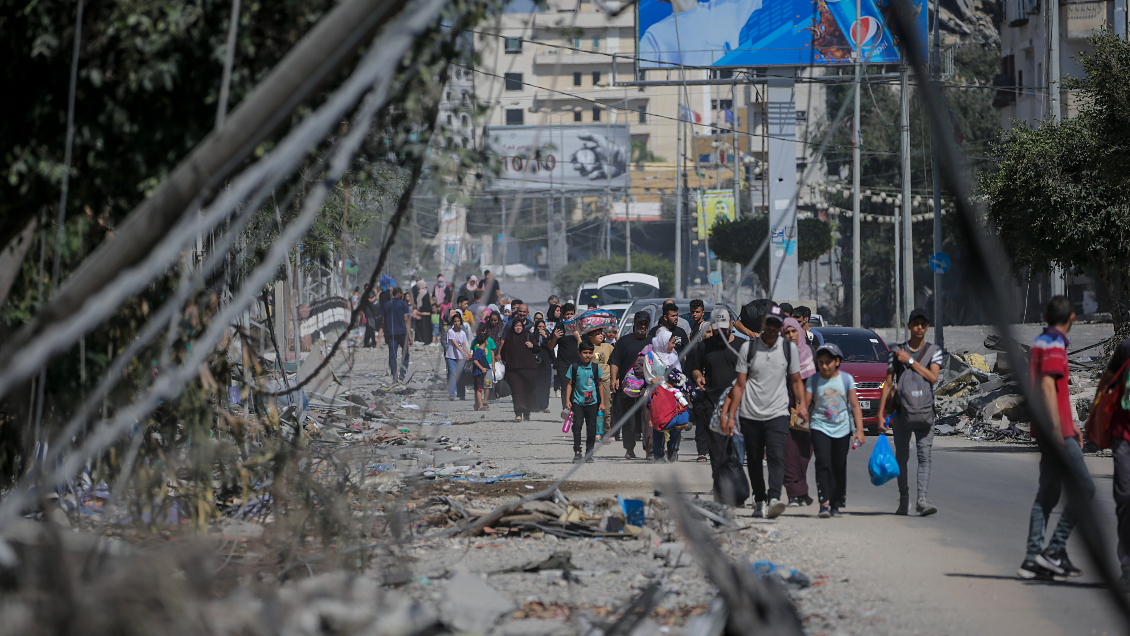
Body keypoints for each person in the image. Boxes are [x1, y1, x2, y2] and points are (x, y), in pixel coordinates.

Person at [1016, 296, 1094, 580]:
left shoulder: (1039, 343)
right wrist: (1059, 430)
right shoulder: (1055, 345)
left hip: (1050, 428)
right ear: (1071, 318)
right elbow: (1048, 388)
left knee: (1046, 496)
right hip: (1054, 432)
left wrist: (1071, 424)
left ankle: (1031, 559)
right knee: (1085, 489)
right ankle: (1055, 549)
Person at [722, 305, 806, 519]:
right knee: (755, 459)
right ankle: (759, 499)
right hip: (750, 414)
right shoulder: (748, 350)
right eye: (769, 323)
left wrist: (803, 405)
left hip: (778, 413)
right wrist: (731, 416)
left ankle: (774, 498)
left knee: (777, 456)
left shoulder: (789, 349)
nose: (771, 328)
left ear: (780, 326)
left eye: (776, 324)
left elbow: (796, 380)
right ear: (763, 324)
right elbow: (739, 386)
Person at [877, 308, 944, 516]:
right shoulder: (896, 351)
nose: (920, 327)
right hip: (901, 412)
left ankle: (922, 499)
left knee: (925, 457)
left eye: (923, 324)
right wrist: (881, 414)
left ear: (928, 326)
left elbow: (933, 378)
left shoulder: (935, 351)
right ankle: (904, 500)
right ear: (909, 326)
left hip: (925, 413)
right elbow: (887, 384)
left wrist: (911, 361)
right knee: (902, 458)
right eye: (916, 323)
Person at [1086, 333, 1130, 587]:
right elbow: (1106, 384)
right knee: (1125, 496)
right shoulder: (1125, 348)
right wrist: (1097, 421)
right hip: (1124, 435)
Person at [691, 311, 747, 505]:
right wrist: (698, 376)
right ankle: (720, 487)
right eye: (717, 330)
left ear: (731, 325)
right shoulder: (703, 347)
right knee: (716, 450)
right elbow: (696, 368)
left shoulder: (742, 346)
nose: (720, 333)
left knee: (735, 449)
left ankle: (736, 486)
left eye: (724, 329)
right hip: (711, 404)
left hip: (739, 406)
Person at [803, 343, 866, 518]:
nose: (824, 366)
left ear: (837, 361)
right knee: (823, 462)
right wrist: (802, 411)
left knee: (839, 465)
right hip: (819, 426)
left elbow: (854, 405)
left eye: (828, 362)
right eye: (821, 362)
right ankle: (824, 502)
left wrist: (859, 430)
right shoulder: (813, 380)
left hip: (842, 428)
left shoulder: (846, 379)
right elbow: (806, 403)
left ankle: (836, 503)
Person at [781, 317, 816, 507]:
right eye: (787, 332)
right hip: (784, 407)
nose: (791, 335)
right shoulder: (779, 354)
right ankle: (794, 493)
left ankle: (800, 490)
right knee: (789, 450)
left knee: (805, 451)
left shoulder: (810, 353)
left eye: (793, 331)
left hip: (807, 408)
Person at [609, 312, 653, 459]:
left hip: (647, 387)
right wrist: (614, 378)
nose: (642, 326)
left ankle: (649, 450)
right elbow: (615, 361)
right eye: (640, 323)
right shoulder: (624, 342)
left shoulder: (653, 342)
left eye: (645, 323)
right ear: (634, 324)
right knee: (628, 420)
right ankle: (629, 449)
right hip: (626, 387)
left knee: (648, 419)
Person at [566, 341, 607, 463]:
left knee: (591, 428)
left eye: (590, 353)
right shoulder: (574, 367)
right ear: (579, 353)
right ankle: (577, 452)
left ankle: (589, 453)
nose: (587, 355)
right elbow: (569, 384)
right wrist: (567, 400)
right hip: (578, 402)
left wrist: (602, 402)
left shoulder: (595, 367)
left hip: (592, 403)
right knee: (577, 426)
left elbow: (600, 385)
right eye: (585, 353)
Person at [499, 319, 538, 421]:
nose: (518, 328)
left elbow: (538, 349)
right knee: (516, 392)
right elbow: (503, 352)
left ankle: (527, 412)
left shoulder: (528, 336)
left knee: (528, 391)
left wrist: (532, 346)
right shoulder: (509, 338)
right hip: (513, 370)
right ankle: (518, 413)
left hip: (528, 369)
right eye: (516, 326)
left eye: (520, 325)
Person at [650, 370, 692, 462]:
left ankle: (661, 453)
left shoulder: (659, 388)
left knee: (659, 432)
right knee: (674, 432)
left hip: (664, 417)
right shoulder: (681, 390)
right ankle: (670, 448)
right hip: (675, 418)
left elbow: (650, 401)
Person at [549, 303, 581, 416]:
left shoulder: (580, 327)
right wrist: (554, 337)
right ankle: (566, 409)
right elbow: (550, 346)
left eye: (571, 314)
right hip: (563, 363)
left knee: (578, 387)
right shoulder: (559, 327)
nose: (569, 316)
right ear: (563, 315)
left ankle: (577, 409)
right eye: (567, 314)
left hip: (578, 362)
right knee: (565, 386)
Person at [588, 327, 615, 442]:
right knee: (592, 407)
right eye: (597, 334)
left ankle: (606, 431)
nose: (601, 335)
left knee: (607, 407)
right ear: (590, 337)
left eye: (601, 334)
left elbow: (617, 355)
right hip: (591, 381)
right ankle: (594, 431)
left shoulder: (607, 347)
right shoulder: (588, 348)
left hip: (605, 380)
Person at [381, 287, 412, 382]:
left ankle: (394, 375)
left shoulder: (386, 305)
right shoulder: (404, 304)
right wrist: (410, 336)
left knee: (392, 355)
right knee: (405, 353)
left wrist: (385, 335)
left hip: (391, 334)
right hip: (402, 333)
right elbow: (406, 320)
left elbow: (383, 321)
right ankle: (402, 373)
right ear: (399, 294)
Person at [650, 302, 686, 372]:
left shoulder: (681, 332)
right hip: (660, 370)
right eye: (673, 316)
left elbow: (686, 352)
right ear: (665, 317)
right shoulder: (655, 331)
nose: (676, 318)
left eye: (676, 315)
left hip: (678, 371)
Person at [445, 312, 471, 401]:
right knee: (452, 373)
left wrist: (469, 353)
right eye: (455, 321)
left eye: (458, 321)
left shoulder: (463, 333)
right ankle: (451, 393)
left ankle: (461, 394)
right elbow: (455, 344)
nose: (456, 323)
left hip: (460, 358)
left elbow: (464, 346)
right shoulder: (450, 332)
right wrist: (463, 353)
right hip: (451, 356)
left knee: (460, 375)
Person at [533, 318, 555, 413]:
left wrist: (545, 336)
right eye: (539, 327)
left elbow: (551, 348)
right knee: (536, 383)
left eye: (543, 327)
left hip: (546, 361)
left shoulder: (548, 336)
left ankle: (544, 405)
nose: (541, 329)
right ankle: (536, 405)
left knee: (546, 384)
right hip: (535, 361)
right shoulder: (532, 336)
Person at [470, 331, 493, 411]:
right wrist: (482, 369)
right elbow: (475, 360)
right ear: (485, 341)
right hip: (478, 373)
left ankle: (477, 405)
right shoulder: (479, 350)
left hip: (480, 372)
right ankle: (480, 406)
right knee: (479, 389)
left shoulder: (481, 350)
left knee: (478, 389)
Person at [412, 280, 433, 345]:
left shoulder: (423, 293)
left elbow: (425, 304)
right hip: (423, 313)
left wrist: (420, 310)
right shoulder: (424, 292)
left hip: (424, 313)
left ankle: (424, 340)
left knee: (425, 328)